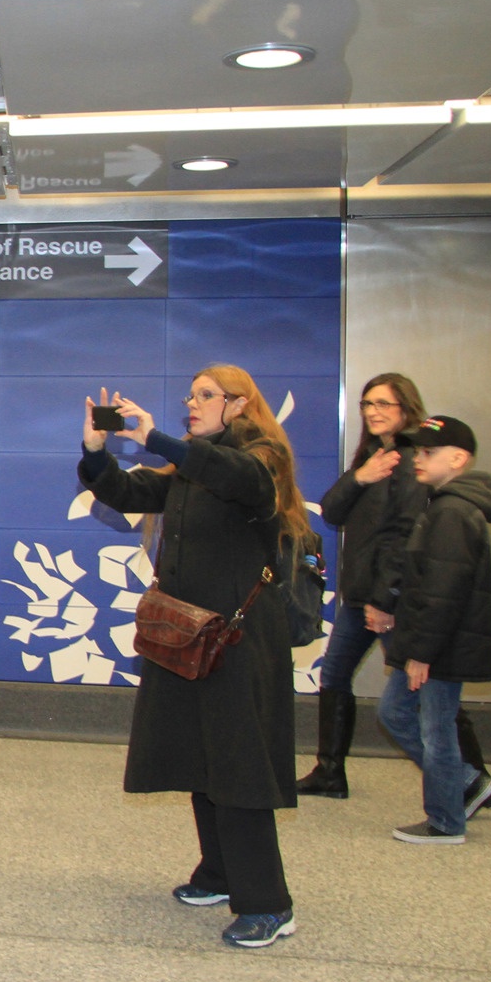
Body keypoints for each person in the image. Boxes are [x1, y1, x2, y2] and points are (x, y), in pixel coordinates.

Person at [80, 365, 305, 949]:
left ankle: (269, 903)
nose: (193, 403)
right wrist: (96, 449)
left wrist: (154, 437)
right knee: (202, 758)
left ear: (240, 403)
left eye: (207, 395)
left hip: (238, 640)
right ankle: (219, 874)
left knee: (238, 766)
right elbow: (128, 492)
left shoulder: (260, 459)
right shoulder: (191, 466)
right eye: (191, 395)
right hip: (191, 636)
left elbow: (234, 477)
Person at [301, 374, 491, 813]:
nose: (373, 412)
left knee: (431, 691)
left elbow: (403, 537)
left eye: (383, 404)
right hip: (361, 594)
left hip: (390, 598)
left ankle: (472, 781)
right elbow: (332, 509)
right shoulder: (374, 458)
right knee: (335, 674)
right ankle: (331, 772)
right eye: (367, 404)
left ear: (406, 408)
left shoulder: (412, 461)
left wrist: (384, 599)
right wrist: (359, 476)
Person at [379, 416, 491, 846]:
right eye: (417, 450)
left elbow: (443, 592)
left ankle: (447, 821)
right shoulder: (443, 505)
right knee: (396, 713)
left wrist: (423, 653)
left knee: (436, 731)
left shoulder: (452, 512)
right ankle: (467, 784)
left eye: (429, 452)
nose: (418, 458)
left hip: (442, 645)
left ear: (458, 458)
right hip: (435, 640)